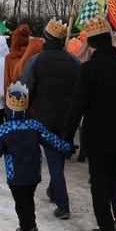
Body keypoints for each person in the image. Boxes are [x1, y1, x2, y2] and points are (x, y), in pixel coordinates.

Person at [64, 16, 116, 231]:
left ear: (93, 44)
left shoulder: (88, 70)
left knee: (99, 182)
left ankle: (106, 225)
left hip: (96, 136)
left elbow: (77, 104)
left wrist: (67, 137)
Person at [0, 82, 72, 231]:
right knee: (28, 200)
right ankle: (28, 228)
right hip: (33, 172)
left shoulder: (4, 130)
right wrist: (66, 147)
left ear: (8, 105)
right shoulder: (34, 126)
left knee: (22, 204)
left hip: (16, 175)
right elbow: (51, 140)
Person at [20, 18, 80, 220]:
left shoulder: (36, 61)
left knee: (54, 160)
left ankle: (63, 205)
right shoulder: (74, 62)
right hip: (69, 119)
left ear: (46, 39)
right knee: (59, 156)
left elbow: (25, 89)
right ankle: (54, 191)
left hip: (45, 118)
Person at [4, 24, 31, 95]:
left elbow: (7, 83)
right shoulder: (32, 56)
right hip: (28, 98)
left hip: (12, 100)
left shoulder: (9, 58)